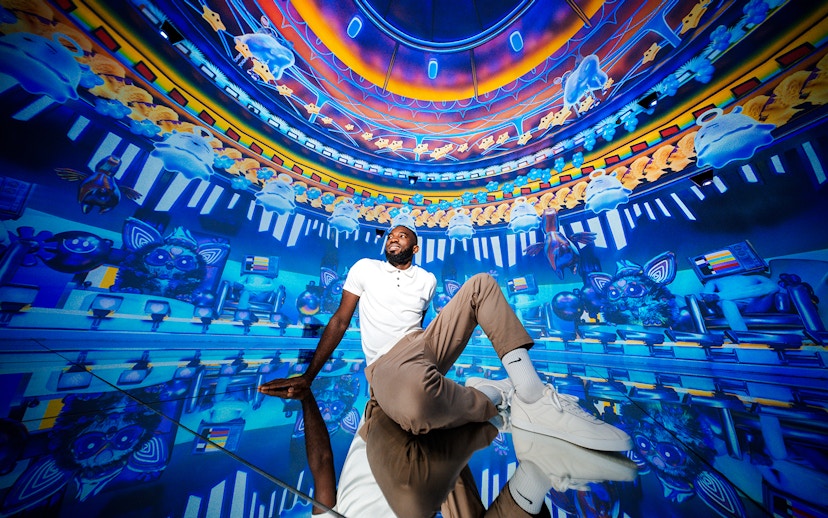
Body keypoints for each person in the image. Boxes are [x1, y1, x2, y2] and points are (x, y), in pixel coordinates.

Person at [259, 213, 631, 453]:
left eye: (402, 236)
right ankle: (496, 394)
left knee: (482, 284)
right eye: (390, 235)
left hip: (421, 351)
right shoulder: (365, 268)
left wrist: (433, 362)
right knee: (417, 414)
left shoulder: (428, 279)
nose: (393, 239)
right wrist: (309, 376)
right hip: (387, 367)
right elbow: (340, 321)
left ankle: (534, 398)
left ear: (414, 246)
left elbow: (429, 326)